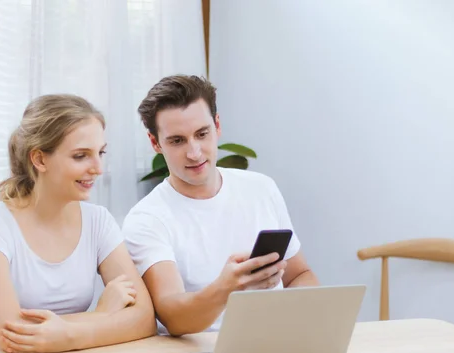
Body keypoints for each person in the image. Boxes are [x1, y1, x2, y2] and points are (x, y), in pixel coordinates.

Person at [122, 75, 320, 337]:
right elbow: (173, 316)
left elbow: (299, 276)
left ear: (217, 126)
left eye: (202, 134)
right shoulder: (147, 218)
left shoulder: (261, 188)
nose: (194, 153)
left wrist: (300, 321)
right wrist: (227, 288)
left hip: (276, 344)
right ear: (155, 143)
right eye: (177, 141)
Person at [0, 94, 156, 353]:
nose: (98, 168)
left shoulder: (98, 221)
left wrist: (68, 334)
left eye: (100, 153)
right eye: (81, 156)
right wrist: (101, 315)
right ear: (40, 160)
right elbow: (14, 335)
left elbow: (145, 319)